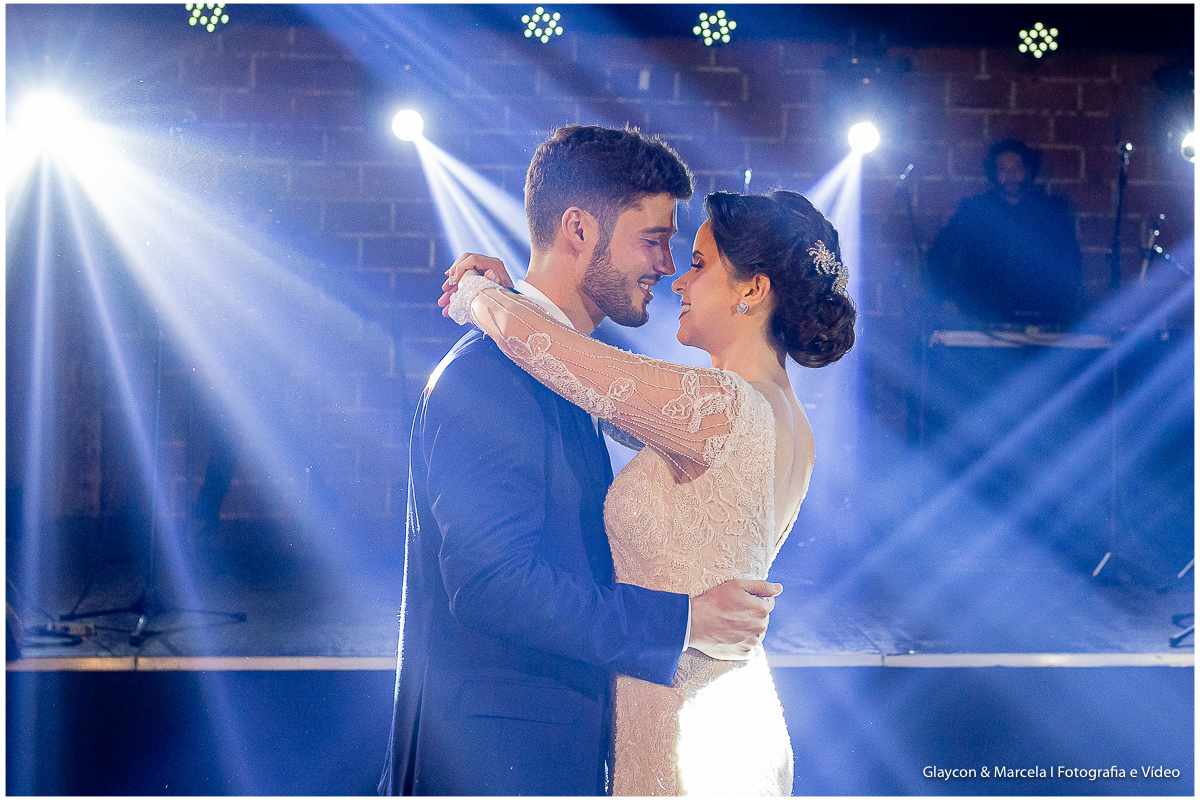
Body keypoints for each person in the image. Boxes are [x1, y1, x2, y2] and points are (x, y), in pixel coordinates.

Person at [379, 126, 784, 797]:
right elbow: (492, 584)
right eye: (653, 239)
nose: (666, 264)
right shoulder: (490, 376)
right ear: (578, 229)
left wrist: (501, 303)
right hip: (495, 765)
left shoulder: (564, 374)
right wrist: (684, 621)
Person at [443, 188, 856, 794]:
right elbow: (584, 384)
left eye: (698, 263)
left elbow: (567, 360)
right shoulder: (786, 418)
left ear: (753, 289)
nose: (677, 281)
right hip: (725, 713)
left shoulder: (722, 408)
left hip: (689, 733)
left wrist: (478, 293)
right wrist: (515, 303)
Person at [925, 138, 1083, 328]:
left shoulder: (1050, 211)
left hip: (1038, 317)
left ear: (1029, 170)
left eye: (1017, 168)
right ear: (993, 173)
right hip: (982, 316)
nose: (1011, 176)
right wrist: (946, 298)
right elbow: (939, 254)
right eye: (1003, 170)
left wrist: (1061, 304)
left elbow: (1070, 260)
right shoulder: (975, 210)